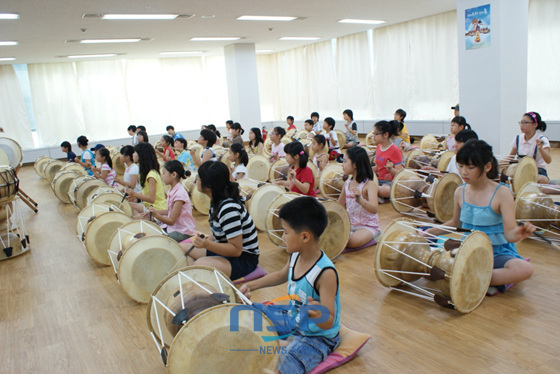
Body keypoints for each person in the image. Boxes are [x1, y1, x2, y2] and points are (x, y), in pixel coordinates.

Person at [240, 197, 341, 374]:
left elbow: (330, 319)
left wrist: (319, 313)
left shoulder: (325, 273)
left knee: (282, 367)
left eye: (286, 232)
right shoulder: (296, 255)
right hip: (294, 317)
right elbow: (281, 275)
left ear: (304, 236)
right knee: (247, 312)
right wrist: (251, 285)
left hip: (317, 337)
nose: (282, 236)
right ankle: (285, 342)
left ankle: (286, 345)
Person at [425, 140, 534, 295]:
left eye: (470, 167)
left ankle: (468, 276)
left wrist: (519, 233)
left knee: (524, 269)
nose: (463, 172)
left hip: (497, 252)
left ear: (487, 167)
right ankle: (474, 276)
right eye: (460, 166)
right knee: (431, 264)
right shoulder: (459, 192)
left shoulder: (502, 193)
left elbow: (509, 234)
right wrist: (432, 231)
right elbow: (456, 223)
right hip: (468, 250)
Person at [181, 161, 259, 280]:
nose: (196, 180)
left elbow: (236, 250)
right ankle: (194, 280)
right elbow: (220, 232)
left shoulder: (228, 209)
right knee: (181, 249)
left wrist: (207, 244)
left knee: (200, 265)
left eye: (199, 178)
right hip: (227, 251)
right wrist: (206, 242)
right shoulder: (216, 201)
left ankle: (196, 281)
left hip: (244, 259)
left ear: (208, 187)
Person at [338, 147, 380, 248]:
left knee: (350, 241)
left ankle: (373, 236)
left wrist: (360, 200)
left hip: (368, 226)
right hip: (350, 223)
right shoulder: (347, 183)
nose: (342, 165)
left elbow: (374, 209)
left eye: (345, 161)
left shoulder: (369, 184)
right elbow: (339, 204)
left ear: (355, 164)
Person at [148, 160, 196, 242]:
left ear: (173, 174)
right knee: (151, 230)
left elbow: (172, 221)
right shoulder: (172, 190)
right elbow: (170, 211)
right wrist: (155, 212)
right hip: (175, 228)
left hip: (183, 232)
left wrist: (156, 215)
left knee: (157, 240)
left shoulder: (179, 194)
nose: (162, 176)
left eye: (164, 173)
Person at [509, 111, 551, 184]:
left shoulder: (542, 139)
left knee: (542, 179)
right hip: (521, 169)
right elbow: (510, 157)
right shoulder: (518, 138)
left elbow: (548, 160)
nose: (522, 125)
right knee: (509, 174)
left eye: (525, 123)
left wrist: (540, 149)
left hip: (538, 170)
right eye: (521, 123)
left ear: (535, 125)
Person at [126, 143, 167, 215]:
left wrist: (134, 194)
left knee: (128, 208)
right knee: (127, 204)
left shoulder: (151, 175)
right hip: (150, 207)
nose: (133, 154)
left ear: (141, 155)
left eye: (135, 152)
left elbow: (151, 199)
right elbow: (146, 193)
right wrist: (135, 197)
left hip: (157, 209)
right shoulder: (145, 173)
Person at [372, 120, 403, 200]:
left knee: (385, 191)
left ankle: (372, 192)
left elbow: (400, 173)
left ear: (386, 134)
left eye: (376, 133)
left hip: (389, 183)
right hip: (378, 180)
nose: (373, 136)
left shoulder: (395, 150)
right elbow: (377, 168)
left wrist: (390, 169)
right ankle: (373, 192)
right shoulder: (378, 147)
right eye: (373, 133)